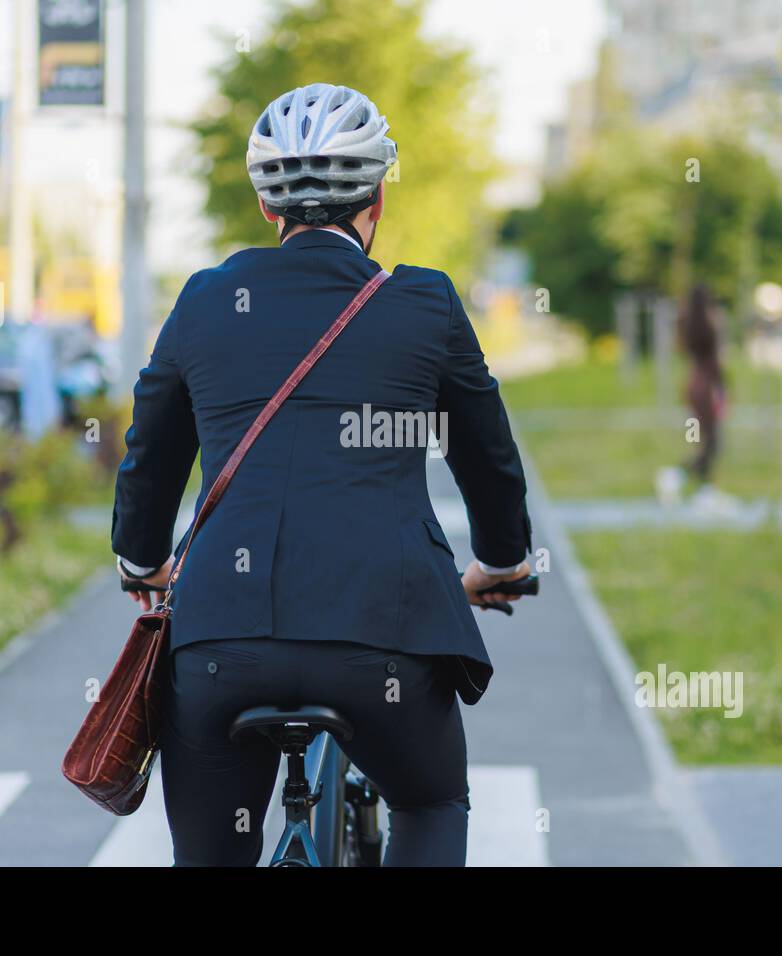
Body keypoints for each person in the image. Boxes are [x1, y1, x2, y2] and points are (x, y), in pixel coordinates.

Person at [110, 83, 533, 866]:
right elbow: (489, 459)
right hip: (387, 639)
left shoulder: (206, 300)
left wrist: (144, 561)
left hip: (220, 639)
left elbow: (149, 460)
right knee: (431, 801)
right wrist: (503, 561)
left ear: (268, 209)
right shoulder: (426, 303)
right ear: (377, 199)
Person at [678, 283, 726, 488]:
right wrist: (723, 388)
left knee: (696, 435)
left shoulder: (685, 322)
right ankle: (687, 475)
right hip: (707, 388)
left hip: (691, 384)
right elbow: (716, 362)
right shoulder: (712, 322)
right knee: (712, 439)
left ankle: (693, 476)